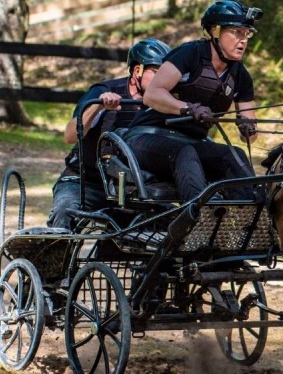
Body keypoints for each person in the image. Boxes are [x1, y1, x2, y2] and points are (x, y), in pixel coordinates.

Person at [123, 0, 263, 202]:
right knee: (185, 152)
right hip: (145, 137)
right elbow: (152, 94)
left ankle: (249, 222)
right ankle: (198, 220)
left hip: (193, 143)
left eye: (246, 34)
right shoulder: (190, 54)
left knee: (234, 156)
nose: (243, 41)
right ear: (215, 32)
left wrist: (248, 128)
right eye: (236, 32)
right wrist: (187, 109)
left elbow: (250, 136)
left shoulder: (241, 76)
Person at [47, 38, 172, 230]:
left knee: (173, 220)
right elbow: (70, 136)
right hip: (85, 181)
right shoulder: (105, 90)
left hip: (131, 188)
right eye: (156, 72)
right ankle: (53, 257)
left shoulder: (164, 102)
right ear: (137, 70)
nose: (162, 80)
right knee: (65, 212)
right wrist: (98, 106)